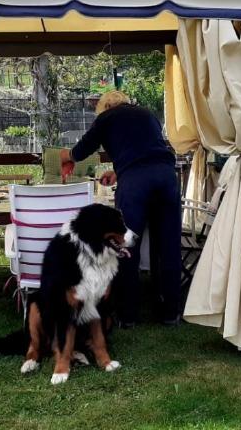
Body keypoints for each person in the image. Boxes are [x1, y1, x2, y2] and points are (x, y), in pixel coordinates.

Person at [60, 90, 182, 326]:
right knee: (168, 245)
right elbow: (146, 151)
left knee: (126, 246)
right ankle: (171, 312)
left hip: (136, 185)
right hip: (167, 178)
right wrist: (119, 171)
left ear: (105, 107)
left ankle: (128, 315)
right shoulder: (147, 114)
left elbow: (81, 151)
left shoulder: (107, 118)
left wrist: (65, 155)